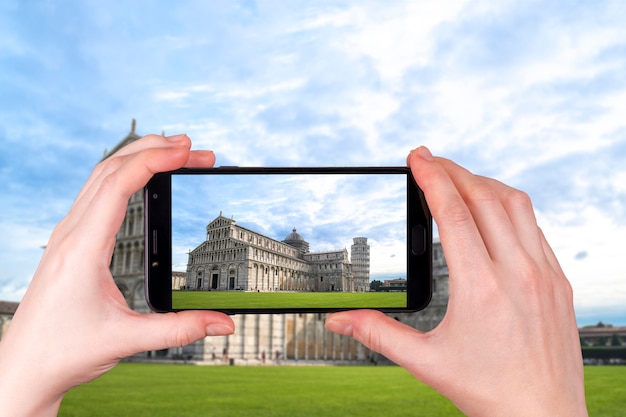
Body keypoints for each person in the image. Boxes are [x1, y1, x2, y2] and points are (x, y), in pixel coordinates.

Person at [0, 135, 588, 416]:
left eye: (351, 257)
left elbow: (300, 266)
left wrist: (18, 387)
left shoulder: (303, 258)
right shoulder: (216, 243)